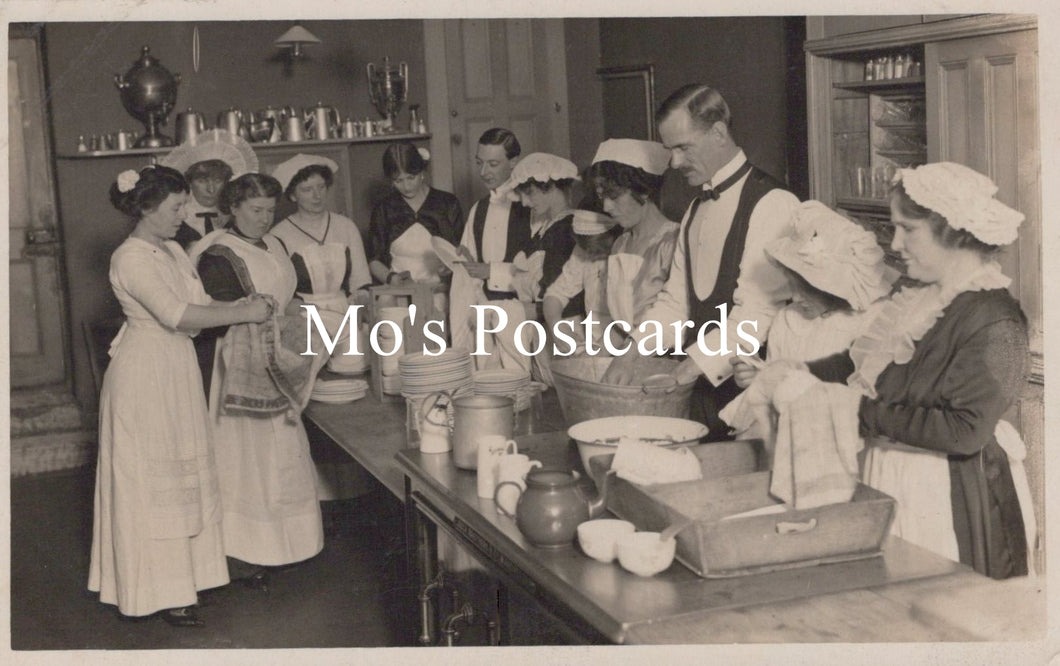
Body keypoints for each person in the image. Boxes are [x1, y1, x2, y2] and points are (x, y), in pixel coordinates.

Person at [799, 162, 1030, 578]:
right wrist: (793, 374)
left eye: (908, 229)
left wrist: (854, 409)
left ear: (952, 232)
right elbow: (862, 362)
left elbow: (965, 432)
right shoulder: (918, 297)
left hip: (947, 494)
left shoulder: (995, 319)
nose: (896, 243)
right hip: (890, 473)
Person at [89, 165, 270, 627]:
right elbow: (175, 313)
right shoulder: (129, 258)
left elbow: (201, 303)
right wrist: (245, 311)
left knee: (183, 469)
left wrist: (241, 307)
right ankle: (157, 589)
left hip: (176, 369)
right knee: (153, 478)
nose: (184, 214)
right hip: (144, 375)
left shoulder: (170, 248)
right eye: (175, 207)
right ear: (147, 208)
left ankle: (185, 582)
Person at [602, 85, 800, 441]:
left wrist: (686, 371)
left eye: (683, 148)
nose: (674, 163)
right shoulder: (695, 208)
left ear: (719, 133)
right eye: (669, 150)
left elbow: (754, 319)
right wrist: (631, 354)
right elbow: (676, 303)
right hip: (699, 393)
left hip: (749, 401)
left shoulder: (773, 203)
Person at [195, 173, 325, 587]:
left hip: (277, 357)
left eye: (270, 210)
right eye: (255, 211)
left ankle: (291, 545)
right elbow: (221, 313)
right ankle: (247, 551)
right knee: (247, 461)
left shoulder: (274, 244)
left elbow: (288, 292)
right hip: (239, 367)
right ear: (232, 208)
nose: (264, 219)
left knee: (283, 454)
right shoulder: (218, 254)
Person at [721, 200, 899, 444]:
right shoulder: (788, 319)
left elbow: (867, 401)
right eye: (792, 285)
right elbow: (775, 382)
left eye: (805, 290)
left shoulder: (873, 321)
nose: (794, 298)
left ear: (833, 287)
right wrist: (756, 377)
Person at [448, 127, 532, 363]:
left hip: (524, 314)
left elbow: (539, 274)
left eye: (493, 164)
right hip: (485, 312)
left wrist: (491, 271)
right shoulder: (479, 209)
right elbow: (466, 279)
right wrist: (465, 262)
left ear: (513, 162)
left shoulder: (530, 207)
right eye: (479, 163)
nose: (484, 172)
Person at [585, 138, 678, 338]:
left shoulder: (673, 243)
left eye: (614, 196)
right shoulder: (621, 243)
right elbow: (620, 325)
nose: (606, 207)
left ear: (643, 190)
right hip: (626, 357)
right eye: (602, 197)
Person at [269, 154, 372, 313]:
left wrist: (361, 297)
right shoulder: (278, 235)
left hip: (347, 313)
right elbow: (282, 293)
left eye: (321, 187)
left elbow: (361, 280)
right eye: (307, 190)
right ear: (292, 195)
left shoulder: (346, 226)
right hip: (303, 317)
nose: (317, 196)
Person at [368, 142, 463, 293]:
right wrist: (391, 278)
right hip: (399, 290)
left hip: (441, 289)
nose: (406, 186)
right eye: (398, 181)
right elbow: (374, 260)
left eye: (411, 178)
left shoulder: (447, 203)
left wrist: (450, 268)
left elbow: (461, 251)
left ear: (422, 172)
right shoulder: (384, 209)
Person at [160, 129, 259, 251]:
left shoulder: (234, 215)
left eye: (218, 181)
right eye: (202, 181)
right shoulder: (178, 215)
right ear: (189, 182)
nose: (211, 189)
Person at [542, 211, 620, 351]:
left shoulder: (630, 253)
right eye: (587, 250)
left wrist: (596, 355)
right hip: (594, 348)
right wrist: (556, 325)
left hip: (629, 351)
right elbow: (556, 293)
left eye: (597, 251)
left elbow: (633, 321)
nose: (590, 256)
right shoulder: (585, 249)